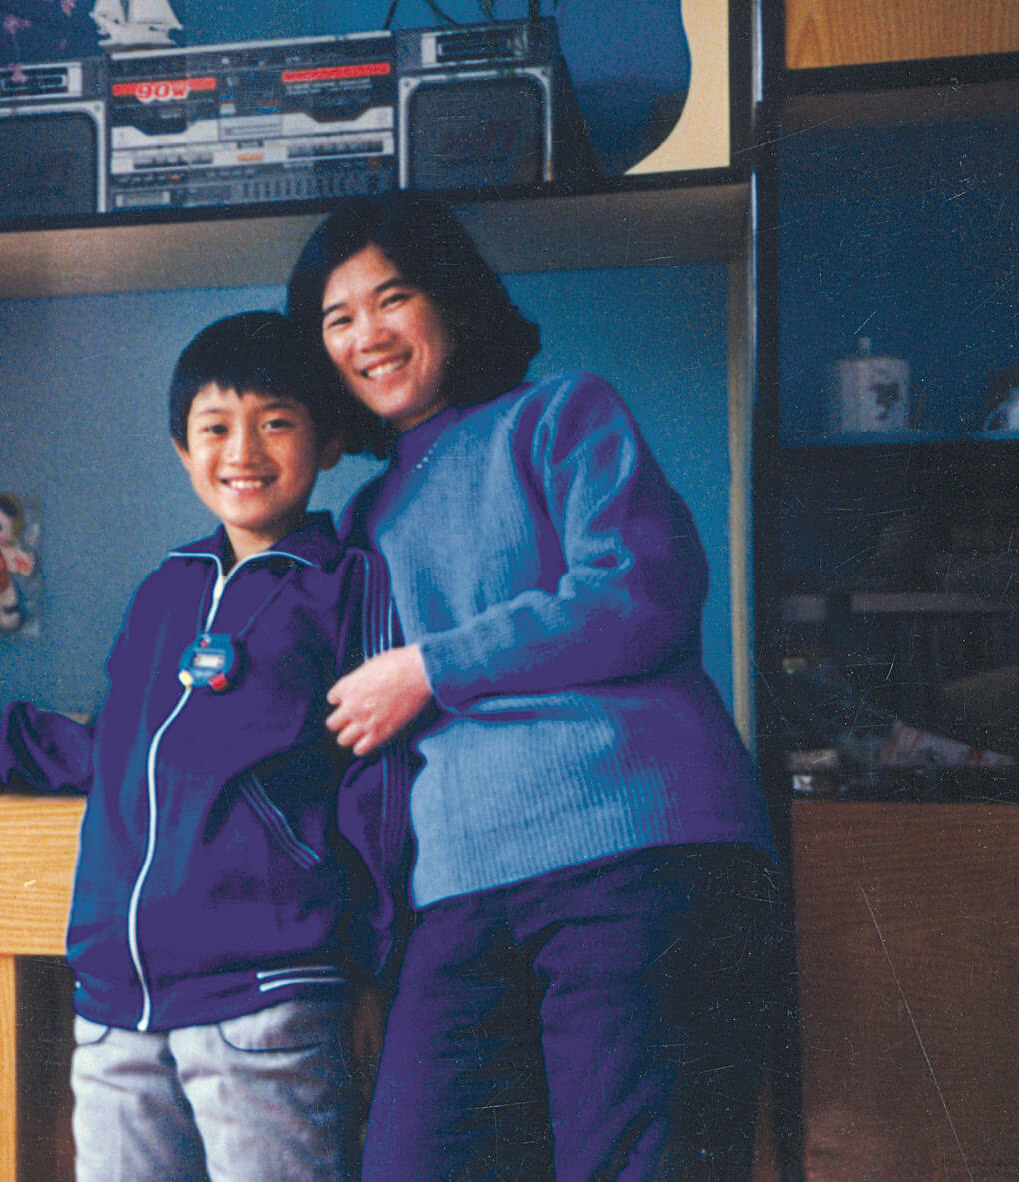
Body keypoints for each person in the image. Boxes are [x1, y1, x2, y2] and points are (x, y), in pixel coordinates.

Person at [284, 192, 785, 1181]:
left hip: (636, 846)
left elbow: (641, 591)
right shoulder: (357, 522)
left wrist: (432, 666)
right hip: (462, 886)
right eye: (336, 319)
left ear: (451, 304)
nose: (366, 335)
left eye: (391, 299)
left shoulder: (561, 414)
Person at [0, 310, 413, 1182]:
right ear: (181, 448)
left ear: (328, 441)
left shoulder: (345, 588)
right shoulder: (167, 589)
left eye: (276, 421)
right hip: (117, 1008)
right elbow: (116, 747)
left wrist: (370, 972)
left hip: (265, 999)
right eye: (215, 427)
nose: (243, 449)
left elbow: (376, 791)